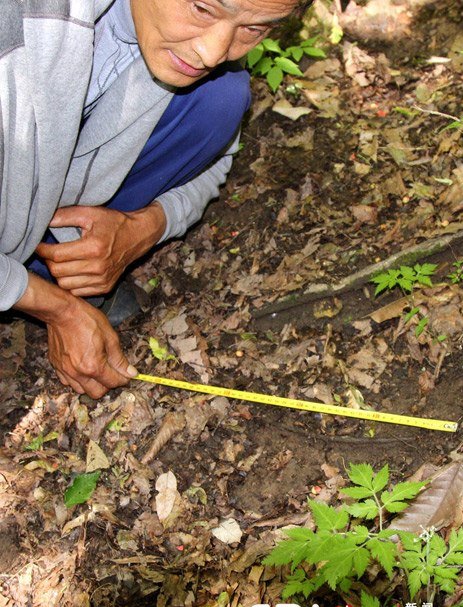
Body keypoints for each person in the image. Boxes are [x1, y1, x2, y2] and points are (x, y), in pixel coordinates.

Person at [1, 0, 306, 399]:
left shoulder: (196, 47)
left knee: (221, 96)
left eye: (255, 28)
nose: (213, 51)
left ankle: (56, 263)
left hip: (41, 205)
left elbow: (218, 162)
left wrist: (146, 226)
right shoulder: (18, 34)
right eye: (202, 8)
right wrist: (56, 309)